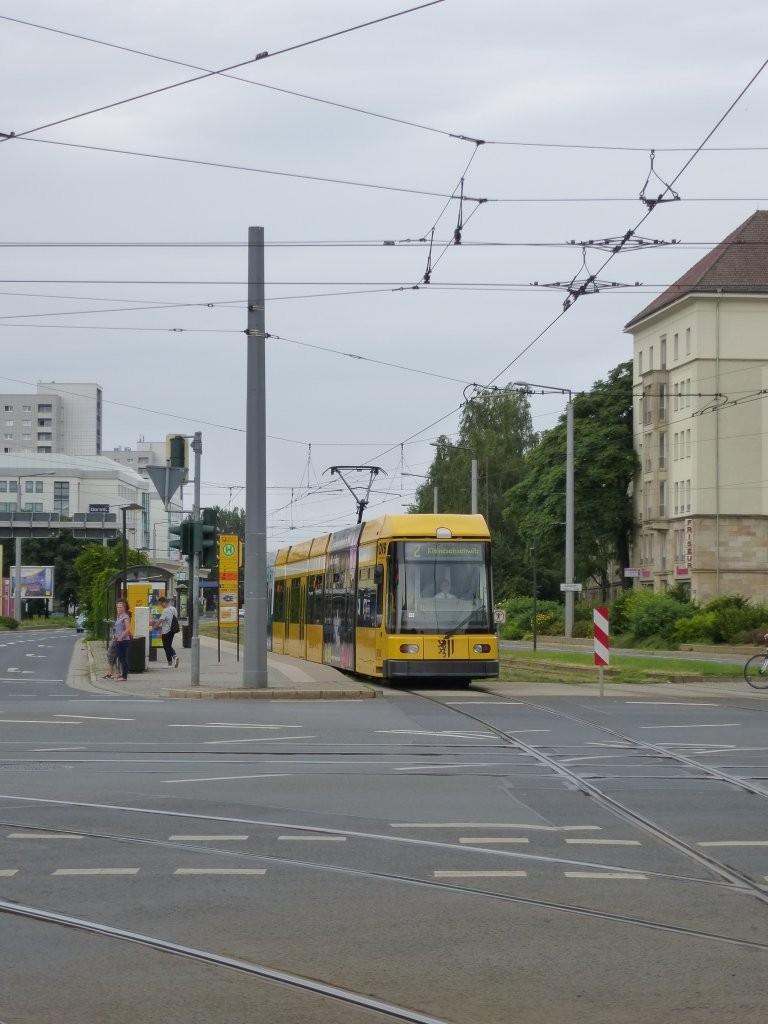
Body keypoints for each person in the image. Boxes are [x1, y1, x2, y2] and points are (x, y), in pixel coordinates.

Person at [153, 595, 180, 668]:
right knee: (169, 646)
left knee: (166, 647)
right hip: (172, 631)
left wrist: (153, 628)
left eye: (161, 604)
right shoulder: (174, 609)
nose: (161, 606)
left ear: (164, 602)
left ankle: (171, 660)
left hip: (166, 632)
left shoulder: (165, 610)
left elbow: (160, 620)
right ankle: (173, 659)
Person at [112, 599, 132, 681]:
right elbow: (118, 628)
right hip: (118, 640)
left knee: (123, 658)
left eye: (120, 607)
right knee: (121, 658)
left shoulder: (125, 617)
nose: (119, 609)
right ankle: (122, 674)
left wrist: (120, 638)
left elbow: (127, 629)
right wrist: (115, 635)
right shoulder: (119, 616)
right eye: (117, 607)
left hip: (123, 641)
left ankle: (124, 676)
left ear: (124, 608)